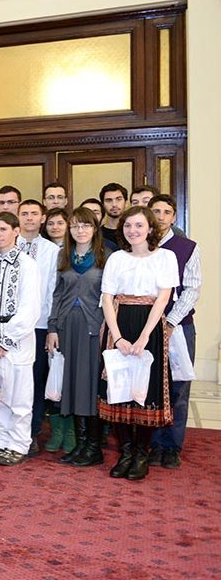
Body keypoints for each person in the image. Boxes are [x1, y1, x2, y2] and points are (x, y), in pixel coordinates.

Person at [98, 206, 178, 481]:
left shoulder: (166, 257)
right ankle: (126, 452)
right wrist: (117, 336)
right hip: (119, 323)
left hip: (150, 327)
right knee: (119, 389)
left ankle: (142, 453)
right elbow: (107, 298)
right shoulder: (117, 258)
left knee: (145, 390)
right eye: (128, 225)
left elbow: (163, 299)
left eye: (138, 225)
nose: (133, 230)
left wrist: (145, 336)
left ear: (150, 229)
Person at [0, 212, 42, 467]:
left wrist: (5, 341)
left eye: (3, 229)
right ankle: (0, 439)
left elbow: (30, 308)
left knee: (19, 396)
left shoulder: (27, 265)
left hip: (17, 341)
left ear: (16, 231)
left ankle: (19, 444)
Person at [45, 207, 108, 466]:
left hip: (95, 328)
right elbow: (57, 294)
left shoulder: (107, 256)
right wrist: (52, 328)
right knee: (71, 385)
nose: (80, 231)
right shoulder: (64, 256)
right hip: (67, 327)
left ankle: (94, 447)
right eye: (75, 226)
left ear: (94, 228)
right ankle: (81, 445)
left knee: (90, 386)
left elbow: (111, 297)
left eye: (85, 226)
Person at [148, 194, 201, 469]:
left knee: (178, 387)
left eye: (165, 211)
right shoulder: (142, 246)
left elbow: (192, 289)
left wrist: (171, 321)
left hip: (179, 326)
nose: (160, 216)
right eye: (154, 211)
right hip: (147, 327)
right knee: (153, 386)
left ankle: (172, 446)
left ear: (174, 216)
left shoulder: (187, 247)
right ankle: (154, 443)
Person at [16, 199, 59, 455]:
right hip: (13, 327)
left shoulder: (52, 251)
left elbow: (55, 290)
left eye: (34, 214)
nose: (29, 218)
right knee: (13, 381)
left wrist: (52, 326)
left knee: (35, 381)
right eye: (24, 214)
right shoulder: (8, 247)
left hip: (41, 325)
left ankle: (30, 433)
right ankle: (8, 430)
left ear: (43, 218)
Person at [99, 182, 128, 246]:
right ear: (102, 205)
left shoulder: (132, 232)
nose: (114, 204)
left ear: (126, 203)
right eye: (109, 200)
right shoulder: (97, 235)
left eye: (118, 199)